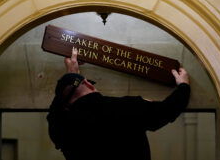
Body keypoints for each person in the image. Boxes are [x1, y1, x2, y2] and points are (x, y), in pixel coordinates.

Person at [47, 47, 191, 160]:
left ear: (65, 104)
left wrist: (71, 77)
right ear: (90, 85)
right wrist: (183, 86)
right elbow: (166, 111)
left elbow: (53, 115)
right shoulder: (125, 107)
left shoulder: (62, 127)